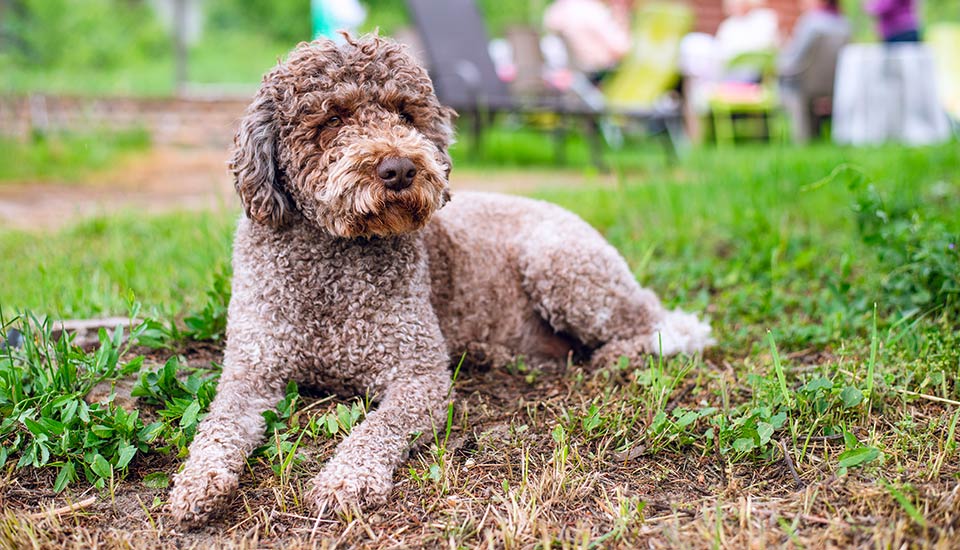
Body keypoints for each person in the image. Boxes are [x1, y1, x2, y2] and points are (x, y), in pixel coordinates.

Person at [778, 0, 850, 141]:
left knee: (784, 84)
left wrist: (779, 59)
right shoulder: (844, 24)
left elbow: (794, 59)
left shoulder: (810, 22)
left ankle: (802, 138)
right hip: (833, 85)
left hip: (805, 86)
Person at [543, 0, 631, 83]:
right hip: (598, 74)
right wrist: (621, 15)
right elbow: (621, 49)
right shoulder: (593, 11)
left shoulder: (556, 10)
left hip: (574, 74)